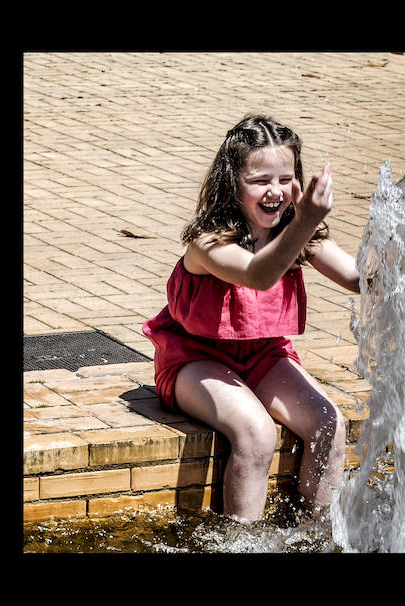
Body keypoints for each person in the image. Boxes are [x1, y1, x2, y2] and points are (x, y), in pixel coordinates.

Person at [143, 114, 360, 523]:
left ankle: (316, 535)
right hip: (193, 358)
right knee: (256, 433)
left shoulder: (298, 234)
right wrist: (306, 221)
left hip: (261, 355)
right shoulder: (208, 243)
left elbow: (355, 278)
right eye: (260, 180)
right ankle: (243, 543)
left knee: (329, 424)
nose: (275, 192)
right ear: (232, 183)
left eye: (285, 178)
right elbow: (259, 274)